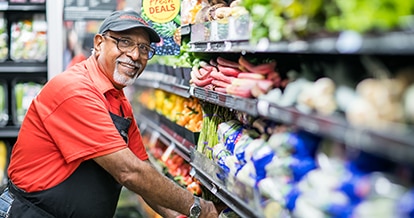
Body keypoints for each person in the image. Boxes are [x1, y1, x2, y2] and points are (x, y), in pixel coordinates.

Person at [0, 10, 219, 218]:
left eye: (144, 48)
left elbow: (144, 171)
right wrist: (201, 208)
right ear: (98, 43)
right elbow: (130, 172)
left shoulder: (118, 101)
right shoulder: (74, 90)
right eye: (124, 42)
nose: (135, 55)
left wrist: (179, 215)